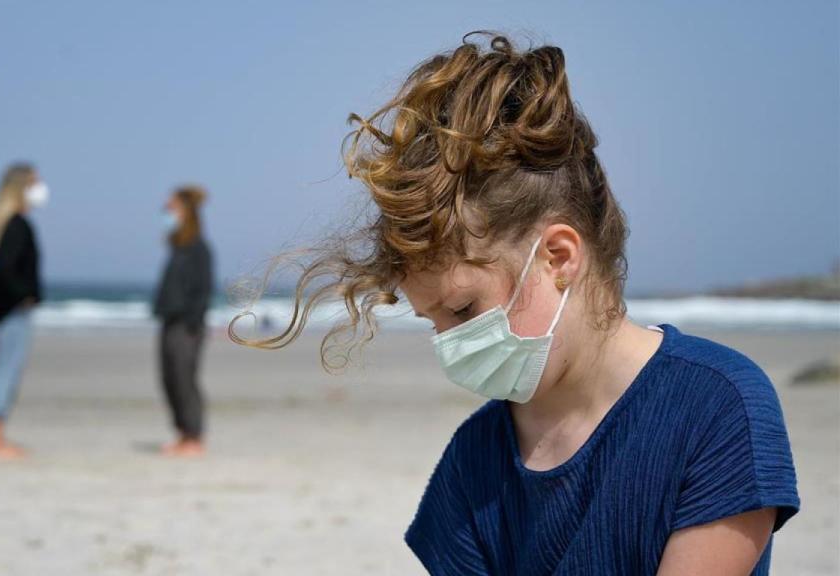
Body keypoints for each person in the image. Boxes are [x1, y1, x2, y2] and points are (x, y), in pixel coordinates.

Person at [231, 33, 799, 574]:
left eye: (461, 311)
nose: (450, 346)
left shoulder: (716, 406)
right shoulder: (472, 463)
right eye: (432, 324)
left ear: (558, 257)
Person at [0, 162, 47, 460]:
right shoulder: (16, 225)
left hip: (7, 310)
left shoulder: (8, 224)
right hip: (13, 312)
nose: (41, 189)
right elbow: (2, 270)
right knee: (6, 371)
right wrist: (25, 297)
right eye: (34, 183)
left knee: (6, 369)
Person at [152, 185, 214, 457]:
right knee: (168, 378)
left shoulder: (198, 248)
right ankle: (181, 433)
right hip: (169, 320)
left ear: (185, 211)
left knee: (184, 378)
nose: (166, 213)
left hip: (187, 326)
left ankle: (194, 436)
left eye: (170, 209)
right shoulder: (178, 246)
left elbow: (203, 289)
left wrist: (192, 322)